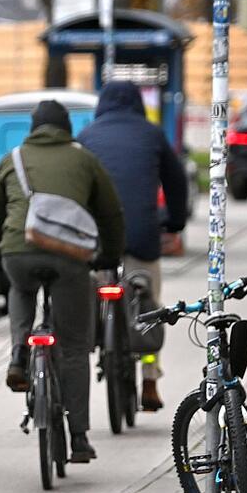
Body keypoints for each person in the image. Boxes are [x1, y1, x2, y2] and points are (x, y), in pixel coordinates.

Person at [0, 100, 125, 463]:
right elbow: (110, 213)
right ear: (67, 129)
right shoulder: (84, 159)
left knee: (21, 288)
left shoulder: (12, 159)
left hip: (19, 251)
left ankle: (18, 352)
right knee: (73, 346)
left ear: (33, 128)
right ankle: (79, 437)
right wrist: (108, 256)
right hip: (69, 256)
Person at [76, 81, 188, 412]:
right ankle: (150, 380)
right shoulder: (152, 134)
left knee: (95, 287)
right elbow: (176, 181)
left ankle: (98, 333)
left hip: (97, 238)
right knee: (149, 305)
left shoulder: (87, 136)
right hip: (142, 235)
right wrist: (175, 223)